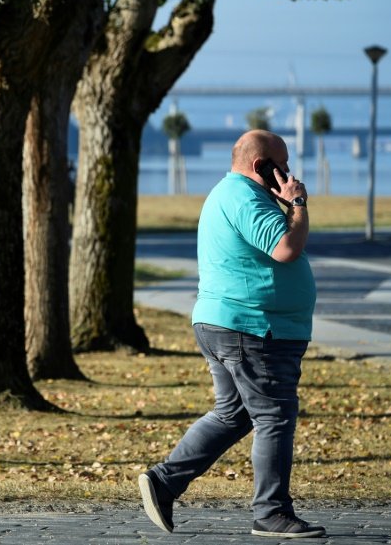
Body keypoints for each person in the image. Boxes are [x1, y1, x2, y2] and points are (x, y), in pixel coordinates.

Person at [138, 129, 325, 539]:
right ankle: (271, 513)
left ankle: (164, 481)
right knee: (274, 416)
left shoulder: (234, 194)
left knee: (233, 414)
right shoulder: (243, 197)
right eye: (283, 165)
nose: (289, 172)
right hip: (254, 328)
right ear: (262, 166)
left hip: (230, 323)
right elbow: (285, 249)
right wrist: (297, 203)